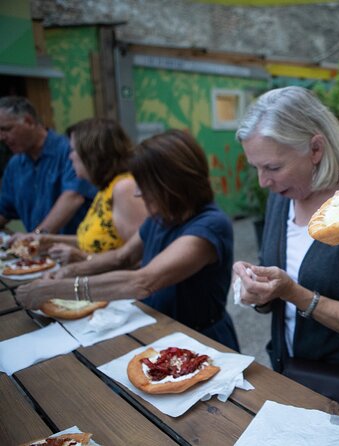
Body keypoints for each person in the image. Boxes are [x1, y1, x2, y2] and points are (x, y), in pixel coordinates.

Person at [232, 86, 339, 423]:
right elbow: (279, 285)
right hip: (288, 376)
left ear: (315, 148)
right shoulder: (283, 196)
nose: (263, 181)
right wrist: (258, 289)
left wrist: (293, 292)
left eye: (272, 167)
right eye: (256, 168)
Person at [16, 129, 239, 350]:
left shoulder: (210, 225)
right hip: (161, 329)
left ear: (169, 183)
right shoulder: (163, 216)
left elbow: (142, 282)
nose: (138, 194)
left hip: (202, 341)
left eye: (144, 185)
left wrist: (54, 290)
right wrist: (71, 271)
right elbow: (121, 257)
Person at [15, 118, 148, 264]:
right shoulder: (107, 187)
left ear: (92, 154)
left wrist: (83, 258)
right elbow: (95, 242)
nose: (70, 156)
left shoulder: (124, 188)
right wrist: (47, 239)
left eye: (73, 150)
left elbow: (140, 256)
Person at [0, 96, 96, 234]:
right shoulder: (15, 165)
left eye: (6, 129)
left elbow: (73, 197)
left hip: (75, 249)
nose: (1, 137)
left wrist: (35, 238)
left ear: (28, 121)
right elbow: (5, 210)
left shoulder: (69, 151)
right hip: (39, 250)